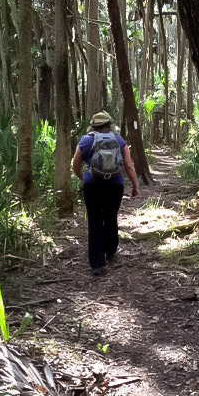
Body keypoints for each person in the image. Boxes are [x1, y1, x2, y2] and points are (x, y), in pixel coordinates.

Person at [72, 111, 139, 276]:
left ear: (93, 126)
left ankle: (96, 264)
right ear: (109, 125)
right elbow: (128, 165)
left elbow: (75, 164)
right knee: (111, 217)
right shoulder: (119, 140)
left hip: (92, 186)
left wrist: (85, 178)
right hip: (114, 185)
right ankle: (110, 252)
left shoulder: (86, 140)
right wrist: (134, 185)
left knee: (95, 221)